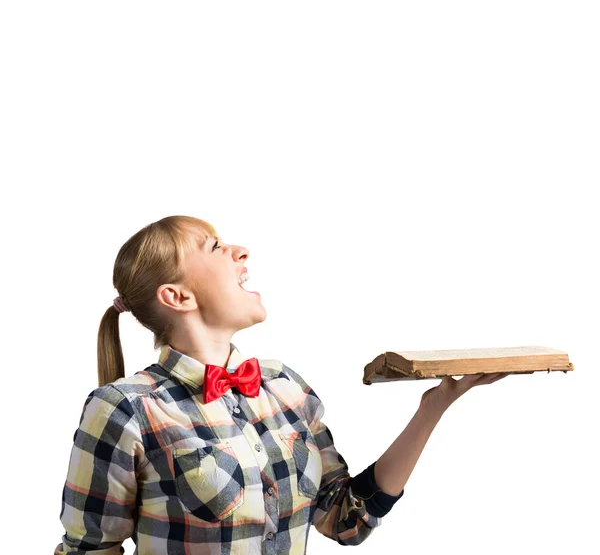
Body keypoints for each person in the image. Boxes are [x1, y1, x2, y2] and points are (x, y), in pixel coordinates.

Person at [54, 215, 509, 555]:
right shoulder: (124, 409)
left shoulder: (284, 387)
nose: (240, 251)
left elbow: (347, 519)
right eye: (215, 247)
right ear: (177, 296)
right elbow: (89, 550)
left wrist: (433, 409)